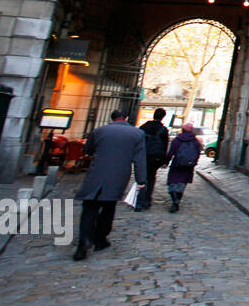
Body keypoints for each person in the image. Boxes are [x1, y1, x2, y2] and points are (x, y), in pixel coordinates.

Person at [74, 110, 147, 261]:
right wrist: (141, 180)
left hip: (97, 173)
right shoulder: (137, 134)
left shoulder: (100, 130)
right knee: (108, 207)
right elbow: (139, 159)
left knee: (89, 209)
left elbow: (88, 149)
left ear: (112, 118)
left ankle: (83, 242)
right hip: (118, 175)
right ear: (126, 118)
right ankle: (100, 239)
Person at [165, 122, 204, 213]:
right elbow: (197, 154)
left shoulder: (177, 140)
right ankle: (177, 200)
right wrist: (194, 163)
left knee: (172, 183)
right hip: (188, 167)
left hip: (177, 165)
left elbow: (171, 153)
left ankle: (175, 201)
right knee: (182, 184)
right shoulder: (195, 141)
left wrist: (166, 162)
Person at [135, 108, 170, 210]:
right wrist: (164, 160)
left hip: (143, 155)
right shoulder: (163, 129)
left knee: (141, 178)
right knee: (151, 177)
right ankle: (147, 200)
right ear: (163, 117)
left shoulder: (144, 127)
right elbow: (165, 146)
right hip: (156, 157)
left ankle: (139, 201)